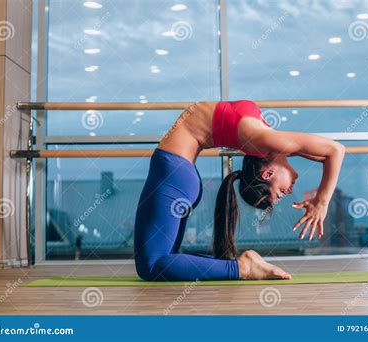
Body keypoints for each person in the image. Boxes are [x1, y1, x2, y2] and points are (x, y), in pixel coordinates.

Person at [134, 100, 345, 281]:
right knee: (164, 258)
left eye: (282, 192)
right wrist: (321, 201)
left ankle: (242, 268)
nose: (288, 191)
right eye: (281, 192)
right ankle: (240, 266)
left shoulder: (269, 142)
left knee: (151, 266)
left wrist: (322, 200)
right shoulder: (270, 142)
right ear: (267, 174)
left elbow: (333, 151)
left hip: (174, 170)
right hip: (177, 170)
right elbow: (333, 151)